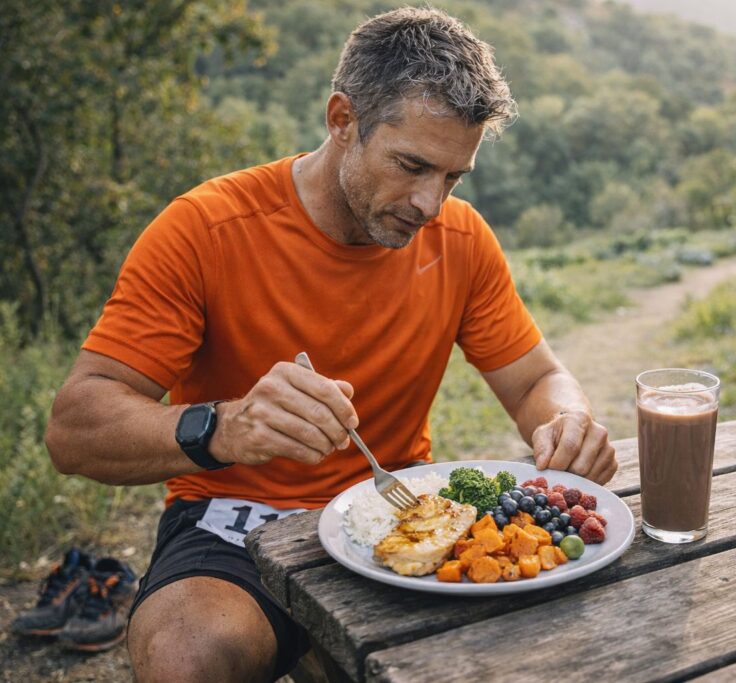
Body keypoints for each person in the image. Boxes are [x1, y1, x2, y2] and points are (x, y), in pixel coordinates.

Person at [45, 7, 617, 682]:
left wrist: (567, 419)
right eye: (411, 165)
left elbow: (532, 382)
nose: (430, 203)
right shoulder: (204, 229)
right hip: (237, 523)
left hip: (401, 515)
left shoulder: (461, 240)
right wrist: (222, 427)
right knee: (188, 655)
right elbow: (74, 427)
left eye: (453, 178)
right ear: (342, 120)